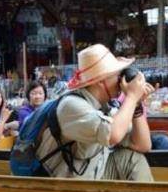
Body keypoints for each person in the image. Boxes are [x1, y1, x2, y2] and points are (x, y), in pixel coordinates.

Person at [36, 44, 154, 181]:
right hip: (65, 186)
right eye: (117, 75)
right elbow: (113, 134)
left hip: (94, 172)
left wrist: (137, 105)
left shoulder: (104, 106)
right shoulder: (71, 106)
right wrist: (132, 97)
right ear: (100, 81)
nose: (121, 81)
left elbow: (143, 145)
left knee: (133, 160)